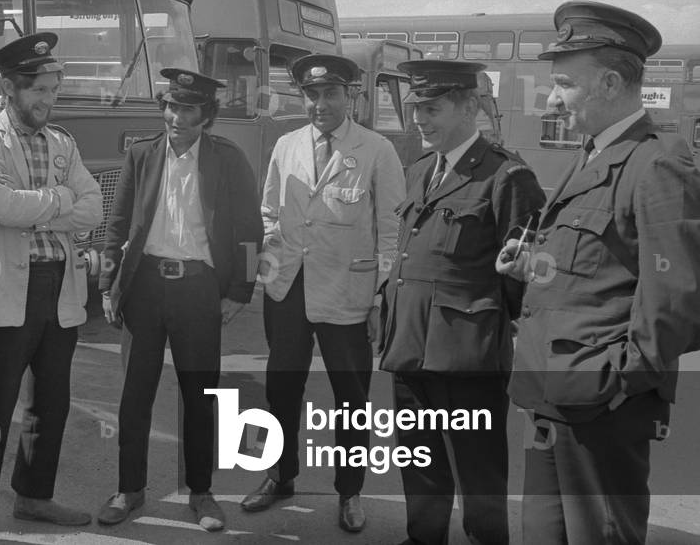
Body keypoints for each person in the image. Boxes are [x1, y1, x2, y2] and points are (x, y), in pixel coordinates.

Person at [496, 1, 700, 544]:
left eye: (563, 84)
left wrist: (614, 384)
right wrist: (530, 269)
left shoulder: (655, 165)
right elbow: (594, 270)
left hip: (598, 408)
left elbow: (678, 300)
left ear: (609, 82)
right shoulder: (591, 155)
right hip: (548, 394)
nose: (553, 98)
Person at [379, 60, 545, 545]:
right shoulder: (418, 172)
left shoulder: (506, 177)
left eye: (432, 108)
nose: (420, 120)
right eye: (416, 109)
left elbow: (523, 280)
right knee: (421, 464)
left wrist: (493, 331)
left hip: (468, 357)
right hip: (409, 347)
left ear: (470, 106)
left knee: (478, 474)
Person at [240, 53, 405, 532]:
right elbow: (268, 212)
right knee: (281, 389)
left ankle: (350, 492)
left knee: (350, 398)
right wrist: (267, 275)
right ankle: (280, 475)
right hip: (288, 288)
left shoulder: (376, 150)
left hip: (348, 291)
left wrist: (380, 297)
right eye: (312, 95)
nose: (319, 104)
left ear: (350, 96)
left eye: (330, 93)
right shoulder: (287, 145)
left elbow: (392, 230)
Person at [95, 68, 264, 531]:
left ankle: (201, 492)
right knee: (134, 395)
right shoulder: (142, 155)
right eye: (170, 106)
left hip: (198, 289)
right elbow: (118, 223)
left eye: (187, 109)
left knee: (198, 395)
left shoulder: (228, 159)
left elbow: (251, 231)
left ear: (205, 116)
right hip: (145, 287)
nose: (176, 117)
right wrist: (109, 286)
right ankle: (130, 488)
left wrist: (241, 291)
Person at [0, 32, 103, 544]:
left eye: (53, 90)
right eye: (37, 90)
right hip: (5, 290)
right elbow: (3, 208)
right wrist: (61, 201)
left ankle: (35, 496)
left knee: (52, 403)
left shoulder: (63, 142)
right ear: (9, 89)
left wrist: (42, 204)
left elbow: (95, 207)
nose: (47, 100)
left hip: (59, 287)